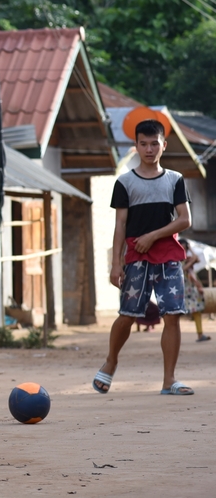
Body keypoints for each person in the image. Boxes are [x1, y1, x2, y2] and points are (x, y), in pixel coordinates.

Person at [94, 119, 194, 396]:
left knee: (172, 315)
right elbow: (120, 226)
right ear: (136, 146)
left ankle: (169, 380)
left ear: (164, 145)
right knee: (128, 315)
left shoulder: (175, 180)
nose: (149, 149)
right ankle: (111, 360)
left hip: (169, 256)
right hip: (136, 257)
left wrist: (154, 235)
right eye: (143, 144)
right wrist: (116, 263)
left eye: (154, 143)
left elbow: (185, 220)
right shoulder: (125, 182)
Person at [182, 248, 211, 342]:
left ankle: (200, 334)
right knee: (175, 314)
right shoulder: (177, 259)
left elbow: (197, 259)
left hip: (190, 289)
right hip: (181, 289)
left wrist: (190, 248)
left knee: (196, 311)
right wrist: (191, 261)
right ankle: (173, 335)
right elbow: (183, 269)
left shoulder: (187, 258)